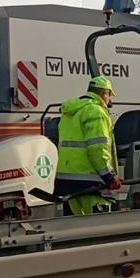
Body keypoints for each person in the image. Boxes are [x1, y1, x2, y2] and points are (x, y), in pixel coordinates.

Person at [54, 76, 122, 215]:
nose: (109, 100)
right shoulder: (96, 112)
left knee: (74, 229)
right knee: (97, 229)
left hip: (65, 181)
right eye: (109, 95)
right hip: (89, 182)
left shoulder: (69, 112)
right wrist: (109, 177)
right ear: (104, 93)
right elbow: (97, 148)